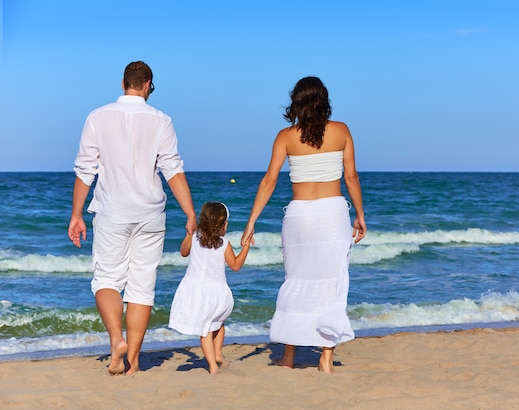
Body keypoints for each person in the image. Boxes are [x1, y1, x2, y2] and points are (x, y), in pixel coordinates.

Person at [68, 61, 196, 376]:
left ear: (123, 82)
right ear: (147, 84)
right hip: (150, 213)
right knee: (141, 287)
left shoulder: (97, 117)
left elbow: (86, 170)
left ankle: (116, 341)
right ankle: (134, 362)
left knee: (106, 280)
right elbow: (173, 170)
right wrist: (191, 213)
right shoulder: (161, 120)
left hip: (112, 210)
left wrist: (76, 215)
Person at [241, 76, 366, 373]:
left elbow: (269, 181)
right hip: (333, 214)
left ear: (296, 102)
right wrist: (360, 215)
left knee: (295, 281)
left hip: (299, 217)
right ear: (324, 101)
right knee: (331, 284)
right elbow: (351, 178)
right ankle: (325, 355)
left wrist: (251, 222)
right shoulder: (341, 131)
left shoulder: (285, 136)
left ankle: (288, 356)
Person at [169, 202, 252, 374]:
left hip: (197, 292)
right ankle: (216, 358)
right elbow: (236, 265)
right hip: (219, 293)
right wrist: (246, 248)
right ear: (222, 225)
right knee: (217, 323)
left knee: (207, 328)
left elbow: (183, 252)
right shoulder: (224, 243)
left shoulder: (195, 238)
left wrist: (188, 235)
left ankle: (214, 363)